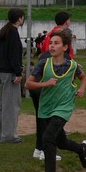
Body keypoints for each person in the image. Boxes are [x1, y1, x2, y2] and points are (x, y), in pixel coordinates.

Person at [25, 29, 86, 172]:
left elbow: (83, 77)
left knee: (47, 138)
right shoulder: (43, 64)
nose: (52, 46)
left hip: (64, 107)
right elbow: (28, 84)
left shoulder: (72, 65)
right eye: (51, 43)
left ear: (65, 47)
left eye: (56, 43)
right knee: (61, 142)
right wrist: (45, 84)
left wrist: (82, 89)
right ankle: (81, 149)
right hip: (47, 108)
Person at [32, 11, 74, 161]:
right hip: (48, 84)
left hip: (39, 82)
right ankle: (46, 150)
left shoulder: (49, 39)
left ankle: (39, 148)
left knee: (42, 117)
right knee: (50, 119)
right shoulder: (62, 43)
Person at [0, 7, 25, 143]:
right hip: (9, 72)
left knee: (2, 104)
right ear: (19, 18)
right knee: (11, 105)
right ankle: (9, 135)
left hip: (1, 71)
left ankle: (0, 134)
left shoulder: (4, 31)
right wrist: (18, 72)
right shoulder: (13, 33)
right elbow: (14, 55)